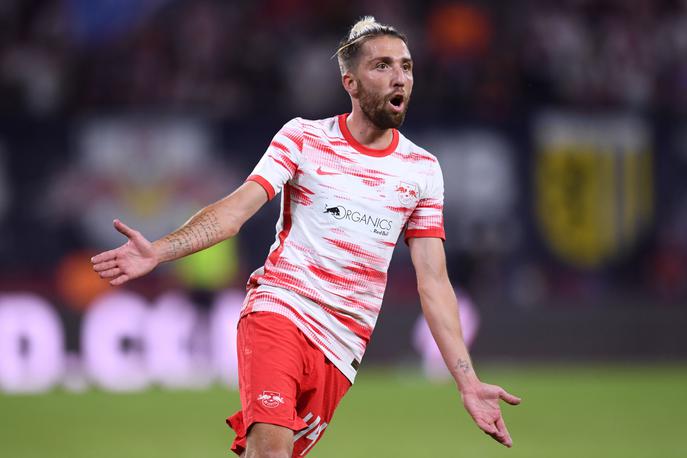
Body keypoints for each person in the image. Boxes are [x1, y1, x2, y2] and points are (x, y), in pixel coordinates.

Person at [91, 16, 521, 458]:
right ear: (350, 82)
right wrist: (159, 250)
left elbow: (433, 281)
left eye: (407, 67)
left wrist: (467, 380)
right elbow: (235, 212)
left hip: (342, 349)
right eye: (383, 66)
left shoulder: (422, 170)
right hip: (280, 313)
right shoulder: (304, 138)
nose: (400, 77)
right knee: (271, 452)